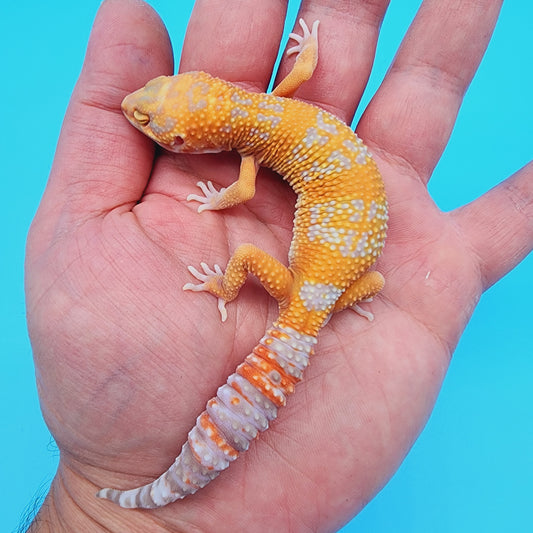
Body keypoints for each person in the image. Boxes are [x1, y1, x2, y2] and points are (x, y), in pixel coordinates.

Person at [25, 0, 532, 531]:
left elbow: (240, 193)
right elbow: (305, 69)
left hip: (314, 288)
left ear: (182, 142)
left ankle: (225, 291)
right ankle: (327, 304)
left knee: (246, 261)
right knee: (359, 283)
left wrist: (215, 228)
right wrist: (307, 42)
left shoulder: (249, 155)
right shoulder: (271, 104)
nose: (137, 105)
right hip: (340, 283)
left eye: (149, 118)